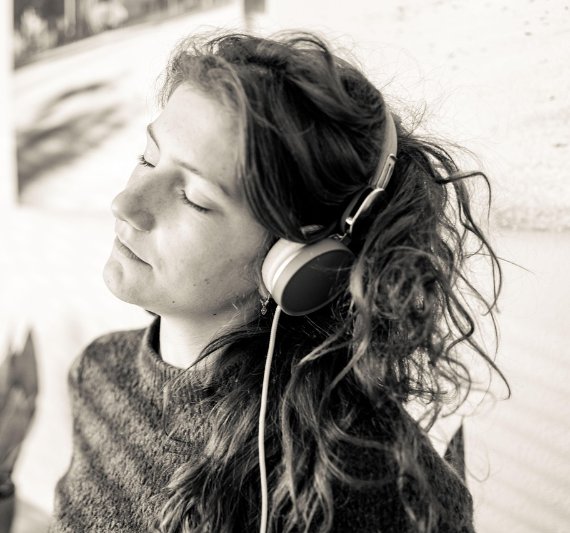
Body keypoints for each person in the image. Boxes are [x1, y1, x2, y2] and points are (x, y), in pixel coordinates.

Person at [49, 30, 503, 533]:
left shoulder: (374, 482)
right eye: (148, 158)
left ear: (299, 260)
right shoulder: (97, 373)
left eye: (196, 198)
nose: (125, 204)